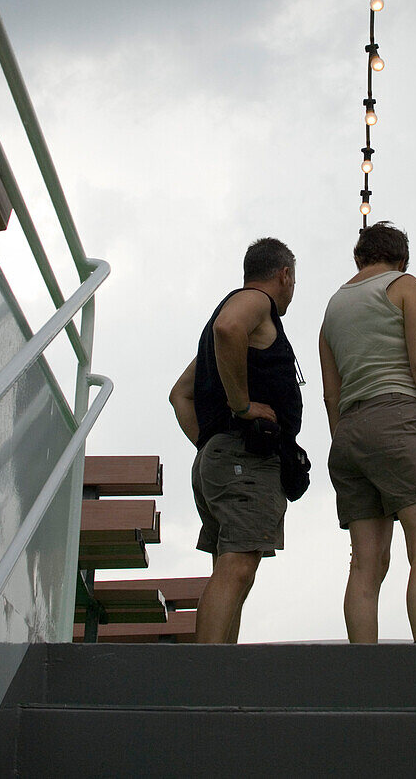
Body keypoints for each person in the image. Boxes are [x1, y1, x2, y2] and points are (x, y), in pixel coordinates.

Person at [319, 221, 416, 644]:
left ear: (358, 258)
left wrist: (348, 444)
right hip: (398, 418)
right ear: (401, 258)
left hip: (348, 434)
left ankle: (364, 670)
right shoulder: (405, 286)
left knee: (366, 565)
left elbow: (331, 395)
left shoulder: (332, 308)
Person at [169, 237, 305, 643]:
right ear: (284, 275)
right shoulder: (255, 304)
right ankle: (208, 675)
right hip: (244, 460)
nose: (292, 291)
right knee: (239, 567)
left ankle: (220, 671)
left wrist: (210, 443)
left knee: (230, 568)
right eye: (293, 281)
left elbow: (180, 394)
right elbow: (230, 327)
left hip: (220, 460)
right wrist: (243, 409)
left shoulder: (217, 334)